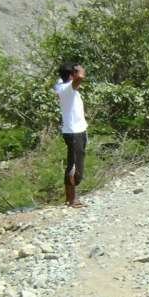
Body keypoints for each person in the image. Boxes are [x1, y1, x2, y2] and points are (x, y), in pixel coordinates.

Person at [54, 62, 88, 208]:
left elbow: (69, 79)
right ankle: (72, 199)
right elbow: (80, 77)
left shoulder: (61, 85)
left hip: (76, 131)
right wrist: (80, 70)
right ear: (71, 75)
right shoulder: (66, 88)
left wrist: (72, 71)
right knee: (75, 166)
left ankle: (70, 198)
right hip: (74, 132)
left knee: (73, 163)